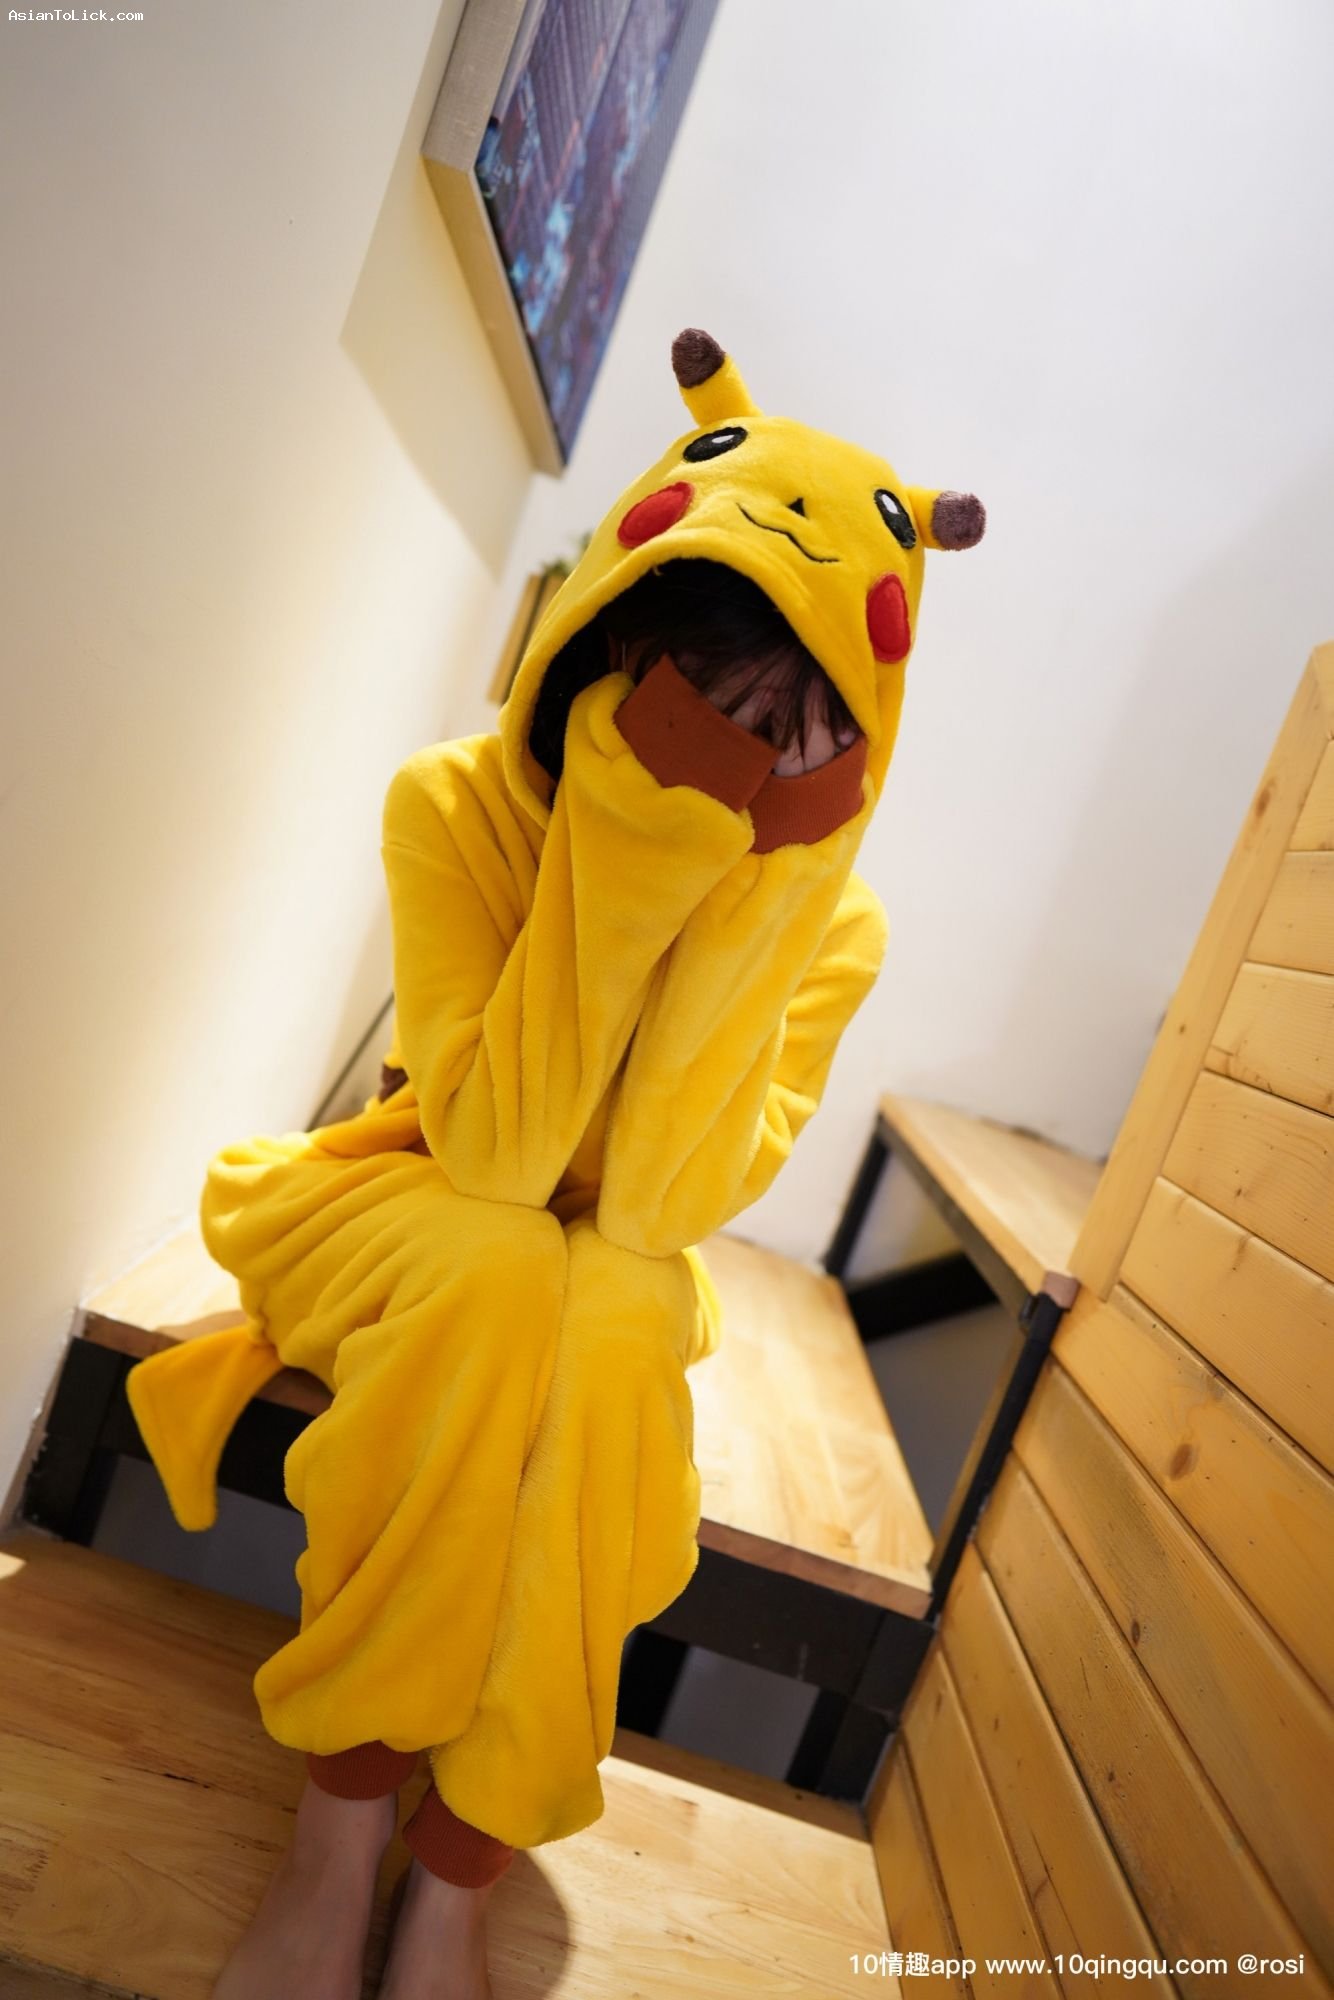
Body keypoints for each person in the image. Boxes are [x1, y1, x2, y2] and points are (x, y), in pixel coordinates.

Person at [125, 328, 984, 1998]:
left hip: (608, 1254)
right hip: (404, 1187)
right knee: (501, 1260)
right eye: (707, 720)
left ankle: (462, 1863)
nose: (739, 776)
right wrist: (627, 846)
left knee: (606, 1320)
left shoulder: (834, 923)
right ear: (611, 649)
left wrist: (746, 902)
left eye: (793, 741)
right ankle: (340, 1827)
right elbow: (500, 1153)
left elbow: (659, 1203)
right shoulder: (456, 806)